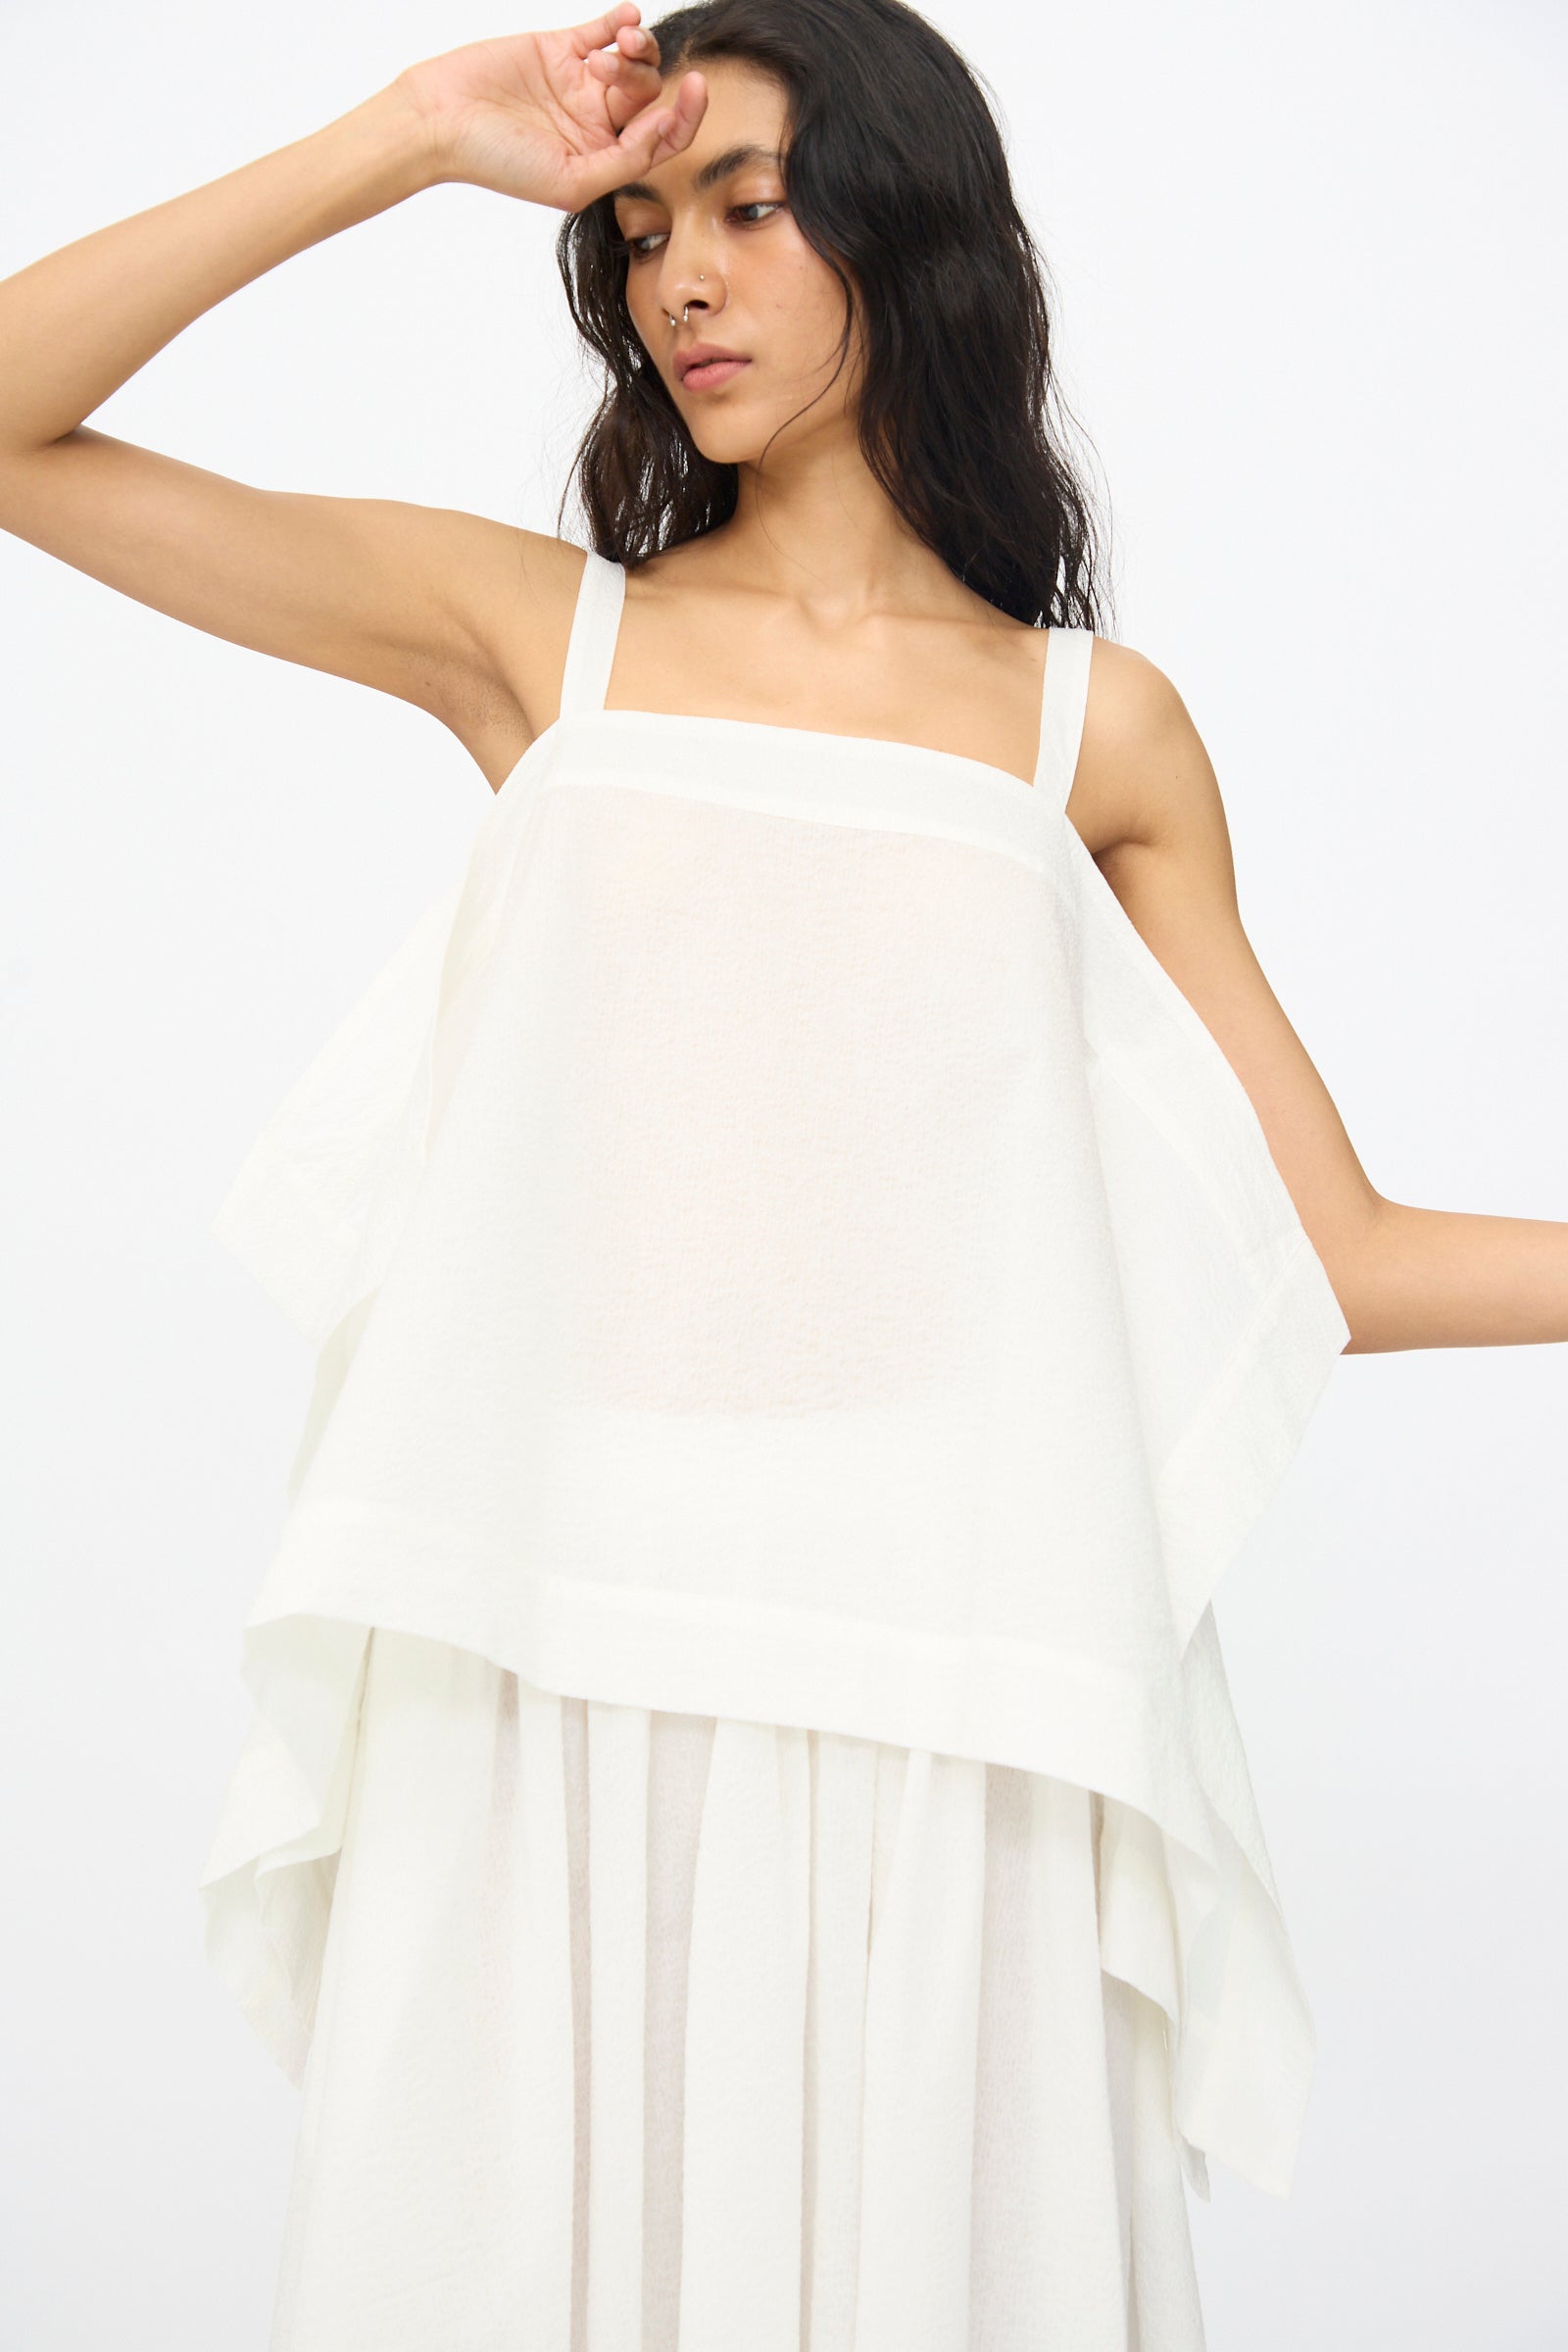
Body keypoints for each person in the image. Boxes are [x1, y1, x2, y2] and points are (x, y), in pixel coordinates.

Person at [3, 3, 1564, 2345]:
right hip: (550, 1660)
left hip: (955, 1680)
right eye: (641, 228)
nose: (677, 283)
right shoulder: (551, 644)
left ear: (905, 232)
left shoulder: (1090, 728)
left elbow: (1319, 1252)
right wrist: (406, 137)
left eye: (745, 205)